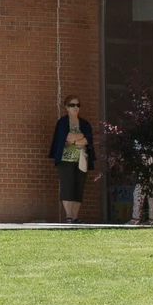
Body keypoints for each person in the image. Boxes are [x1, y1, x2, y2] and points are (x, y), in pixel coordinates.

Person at [49, 95, 95, 224]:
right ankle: (68, 215)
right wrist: (78, 139)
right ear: (66, 107)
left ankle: (75, 216)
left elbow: (88, 139)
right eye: (72, 105)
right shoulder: (63, 122)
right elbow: (67, 137)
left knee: (78, 187)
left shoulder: (85, 123)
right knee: (67, 186)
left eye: (77, 105)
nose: (75, 108)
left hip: (82, 160)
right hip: (65, 160)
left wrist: (76, 139)